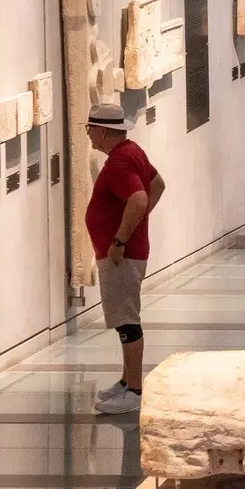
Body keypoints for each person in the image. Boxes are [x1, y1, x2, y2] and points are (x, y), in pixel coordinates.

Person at [84, 103, 164, 414]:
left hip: (122, 255)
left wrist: (120, 239)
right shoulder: (132, 150)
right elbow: (157, 185)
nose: (89, 134)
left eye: (90, 128)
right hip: (126, 251)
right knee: (123, 319)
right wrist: (139, 221)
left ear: (103, 131)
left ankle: (135, 391)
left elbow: (140, 197)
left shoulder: (119, 162)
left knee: (127, 320)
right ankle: (125, 381)